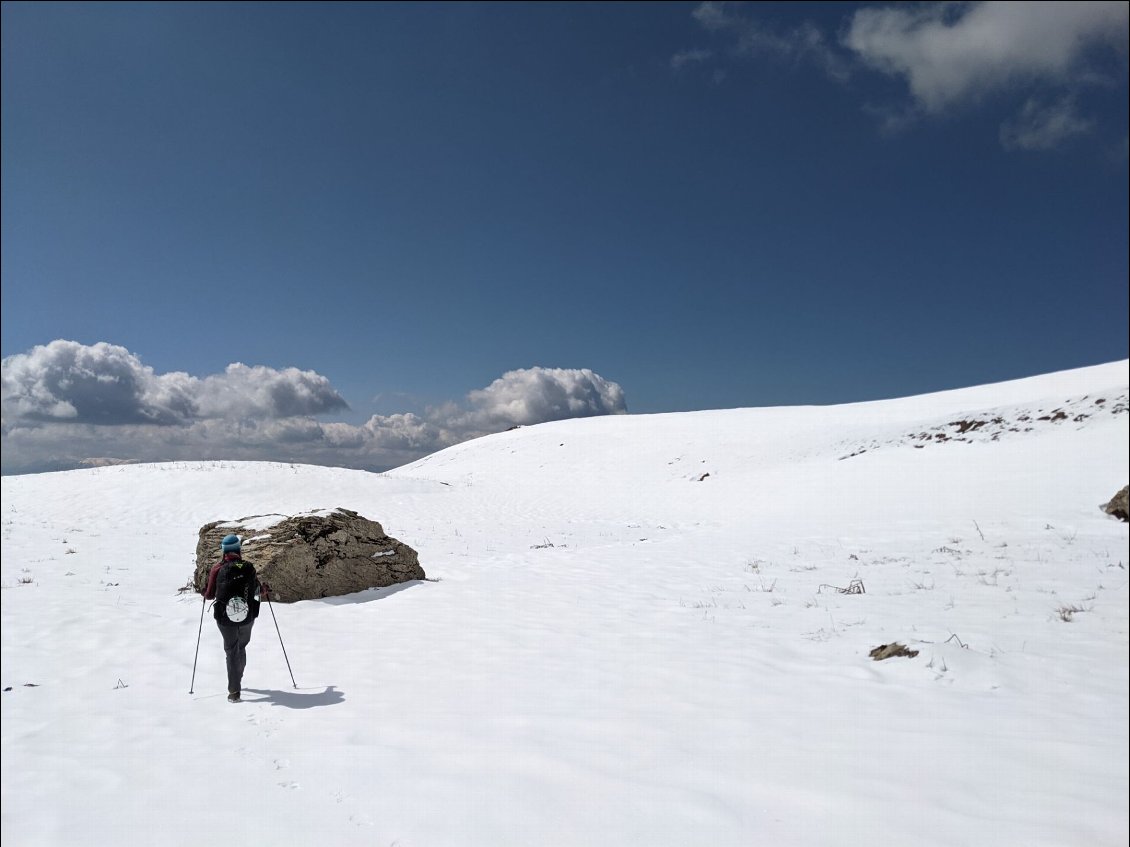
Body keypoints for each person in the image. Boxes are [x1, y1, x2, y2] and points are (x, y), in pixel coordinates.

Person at [203, 534, 263, 702]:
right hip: (247, 615)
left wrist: (204, 592)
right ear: (238, 549)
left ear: (224, 551)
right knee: (241, 647)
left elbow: (209, 595)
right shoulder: (248, 567)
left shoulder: (217, 568)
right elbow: (256, 589)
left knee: (231, 651)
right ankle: (238, 676)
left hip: (225, 618)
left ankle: (234, 691)